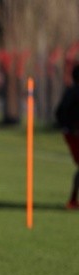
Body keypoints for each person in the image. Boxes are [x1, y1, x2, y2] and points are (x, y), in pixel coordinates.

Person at [55, 64, 79, 210]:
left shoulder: (71, 91)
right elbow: (61, 113)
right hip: (74, 134)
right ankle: (72, 201)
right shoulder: (75, 92)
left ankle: (72, 200)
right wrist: (72, 128)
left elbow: (58, 113)